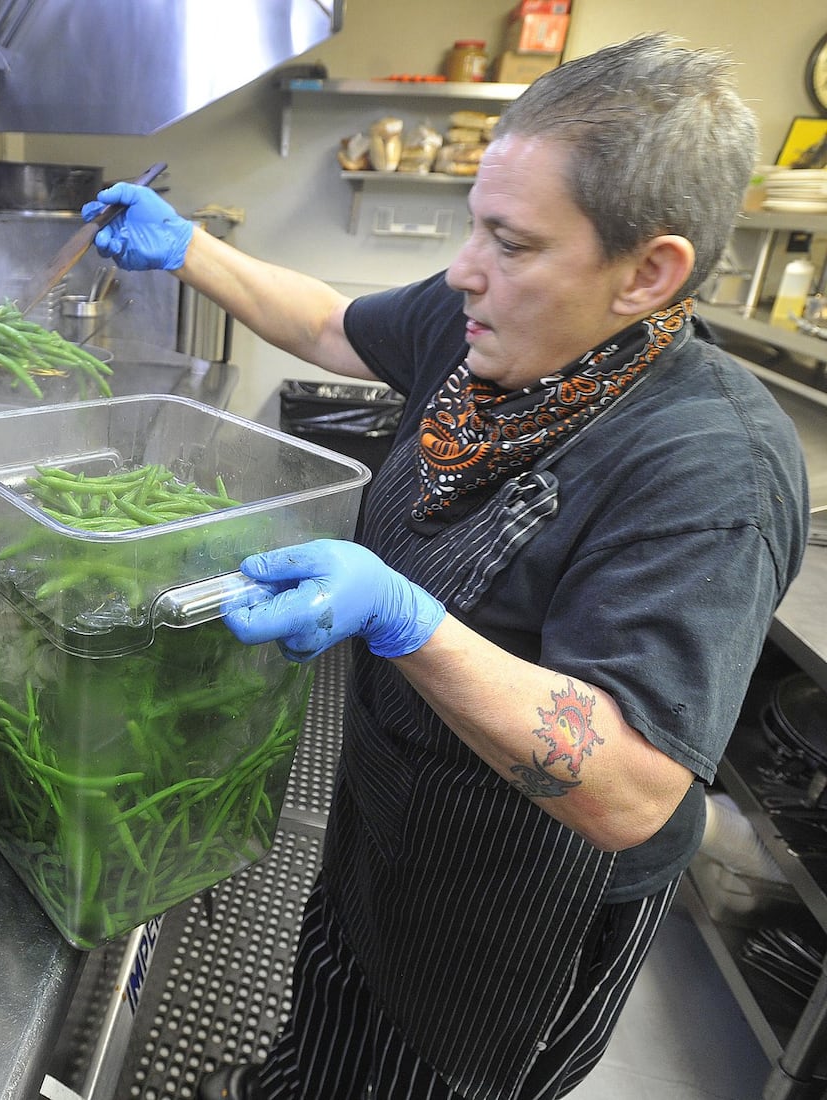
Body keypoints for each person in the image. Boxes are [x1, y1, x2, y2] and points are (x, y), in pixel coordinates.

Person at [84, 33, 810, 1100]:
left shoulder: (708, 469)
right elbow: (332, 325)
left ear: (648, 272)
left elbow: (631, 790)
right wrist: (187, 244)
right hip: (392, 810)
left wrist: (402, 618)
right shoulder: (487, 328)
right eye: (476, 224)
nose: (464, 267)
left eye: (510, 242)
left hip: (513, 912)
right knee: (327, 1018)